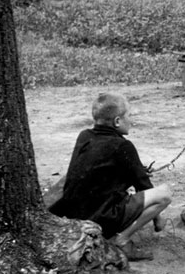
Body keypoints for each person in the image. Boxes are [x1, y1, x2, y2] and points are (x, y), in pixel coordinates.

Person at [49, 92, 172, 261]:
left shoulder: (84, 136)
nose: (131, 120)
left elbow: (100, 169)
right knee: (164, 194)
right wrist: (158, 219)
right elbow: (143, 185)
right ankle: (122, 240)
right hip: (101, 220)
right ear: (117, 121)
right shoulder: (123, 146)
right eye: (129, 116)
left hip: (76, 216)